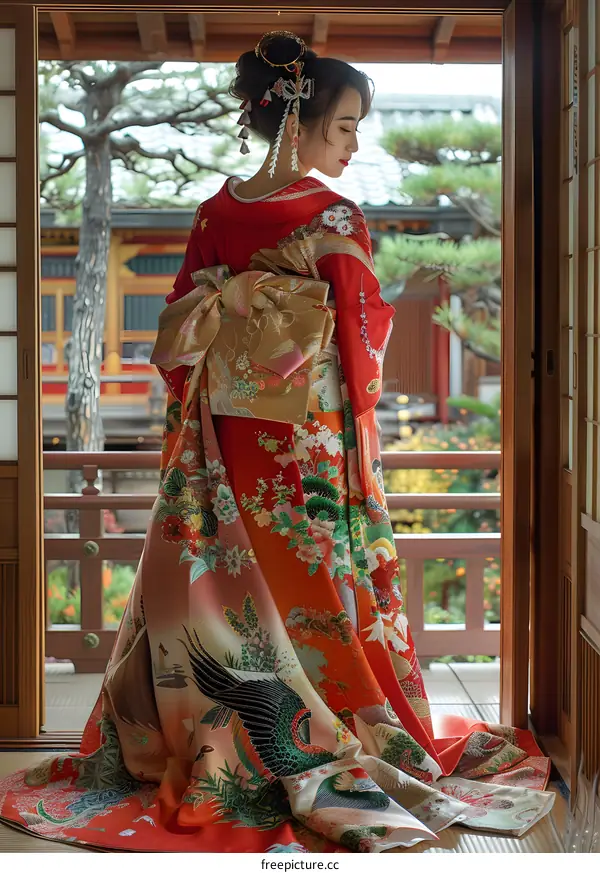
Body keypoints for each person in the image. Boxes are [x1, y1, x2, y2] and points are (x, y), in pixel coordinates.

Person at [0, 32, 554, 853]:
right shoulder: (332, 215)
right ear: (297, 121)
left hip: (225, 438)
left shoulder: (216, 210)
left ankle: (211, 734)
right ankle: (311, 729)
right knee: (319, 584)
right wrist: (342, 379)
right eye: (345, 126)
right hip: (303, 442)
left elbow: (184, 322)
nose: (354, 142)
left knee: (214, 586)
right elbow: (361, 339)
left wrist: (236, 327)